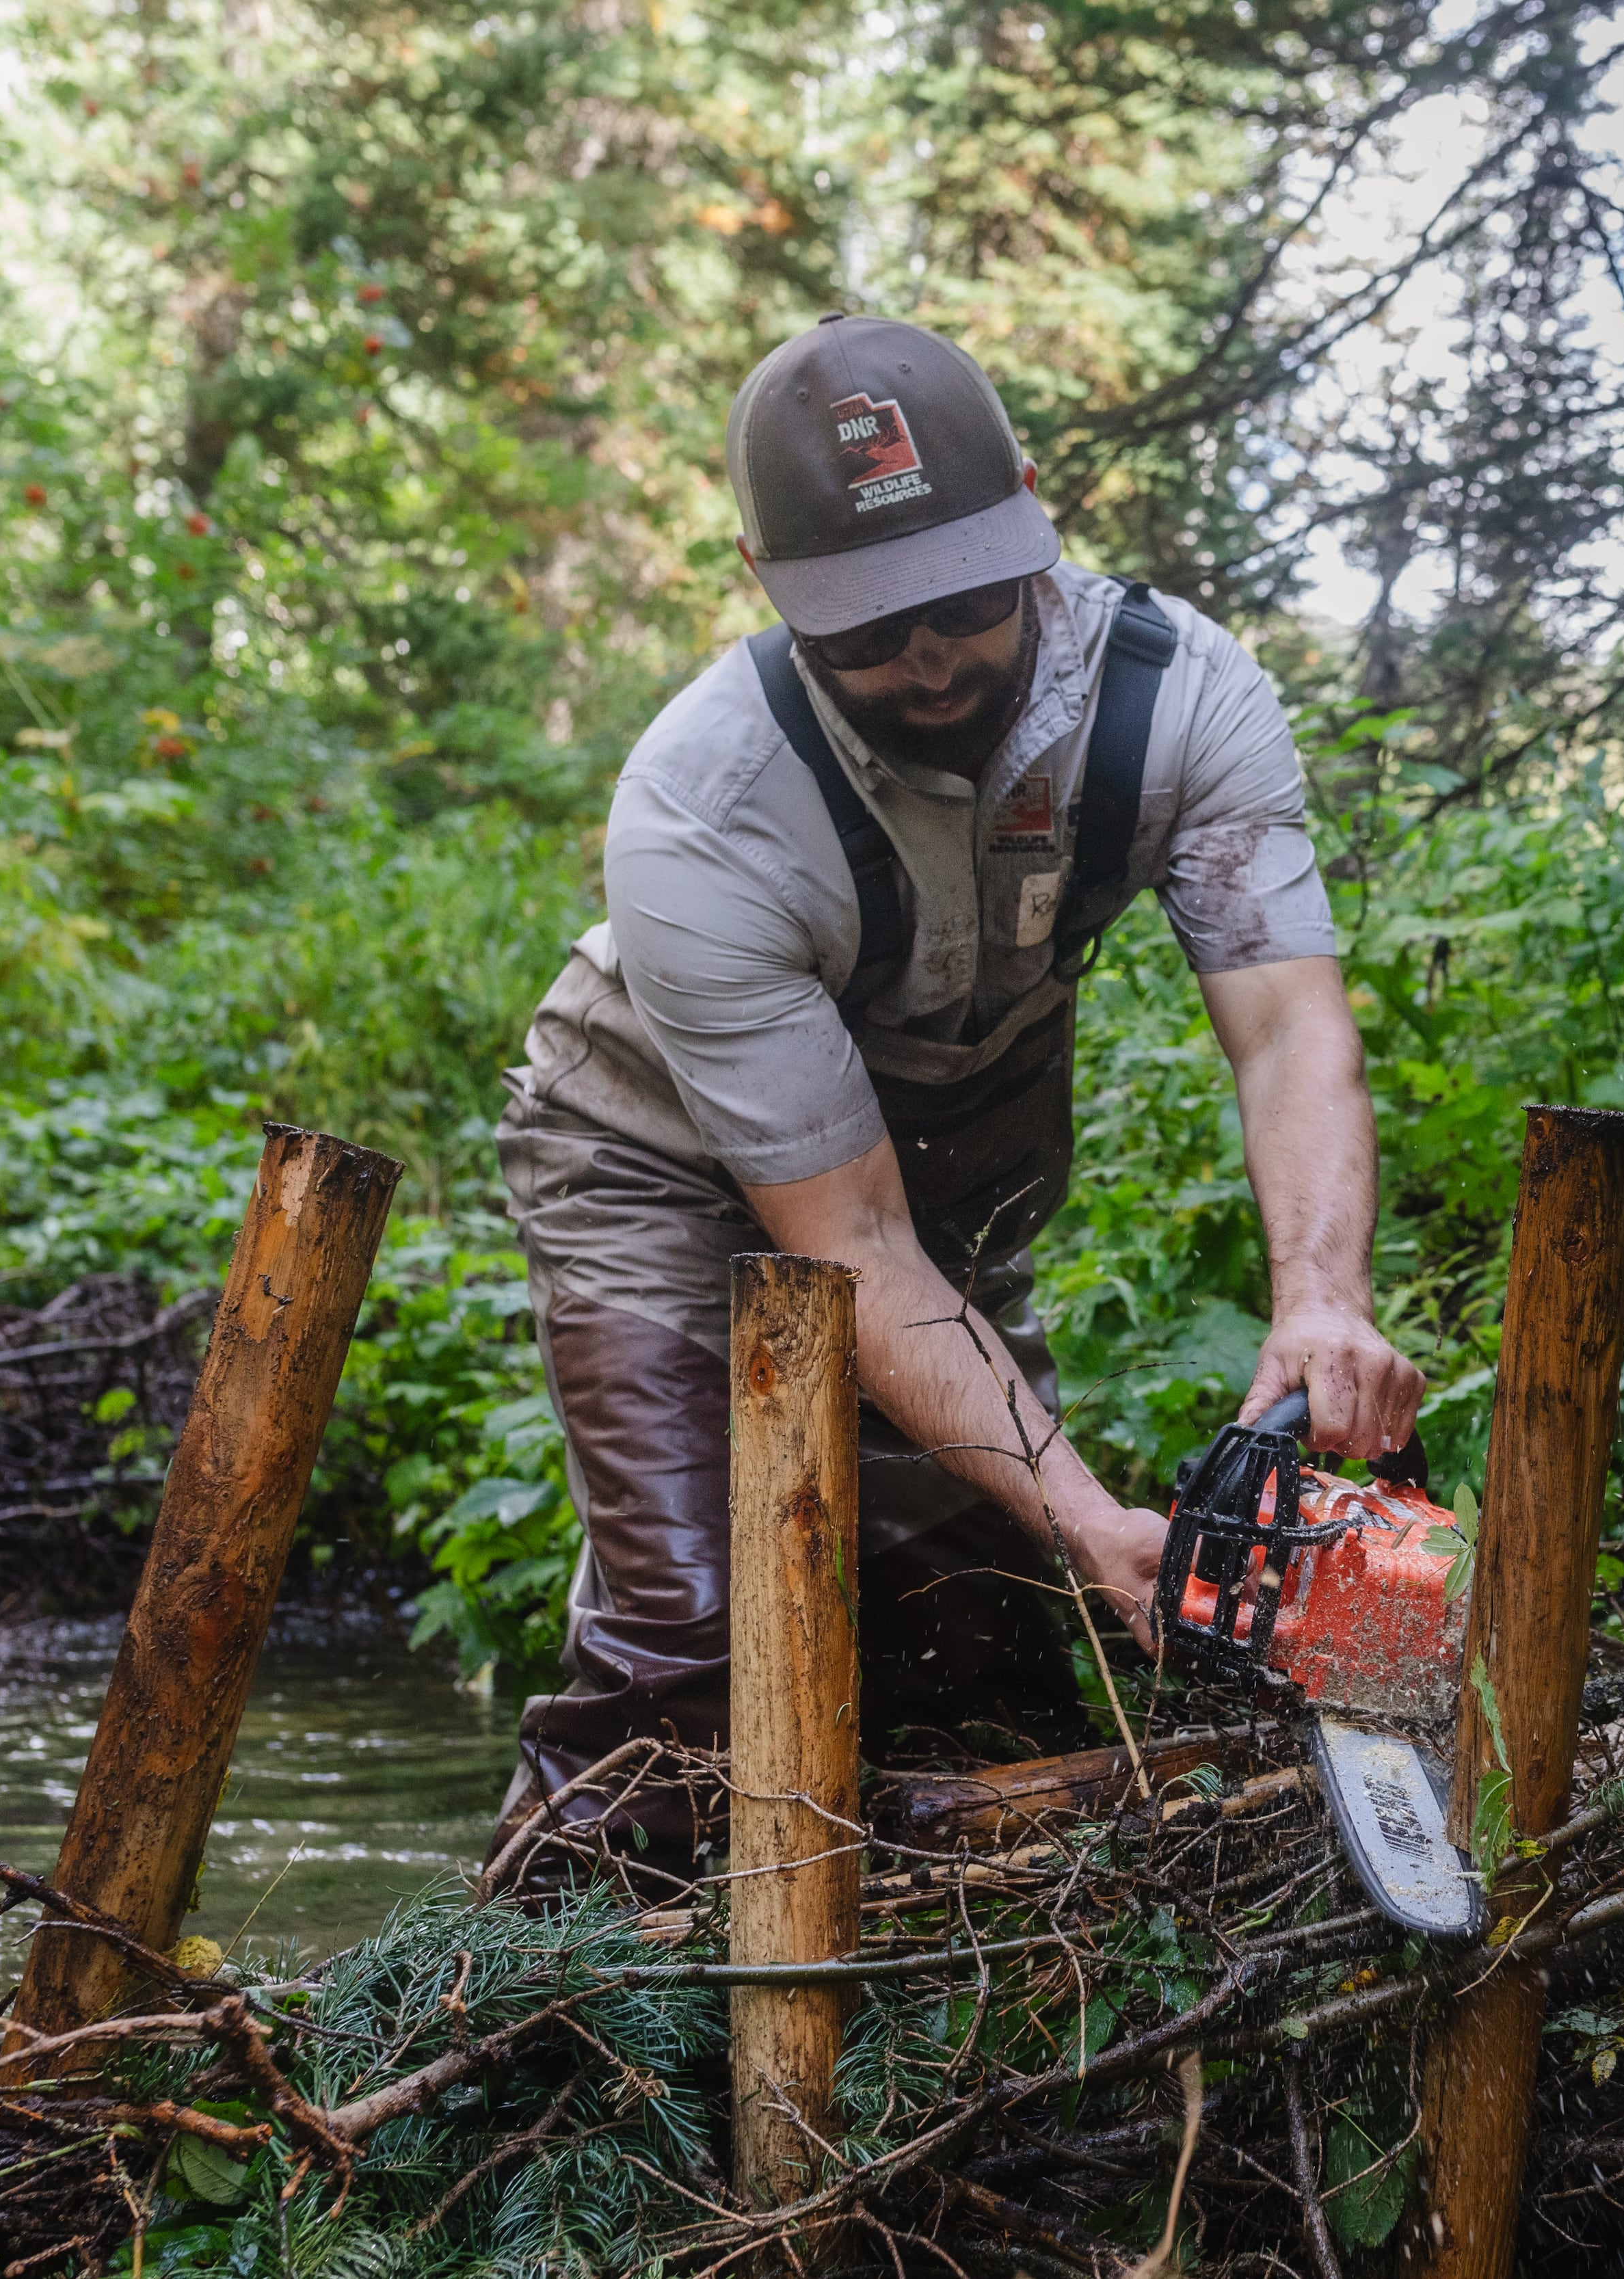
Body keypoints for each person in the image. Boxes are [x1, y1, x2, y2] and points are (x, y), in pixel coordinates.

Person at [490, 315, 1424, 1867]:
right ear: (763, 582)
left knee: (988, 1650)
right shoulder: (700, 804)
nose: (925, 659)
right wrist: (1092, 1511)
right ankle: (529, 2032)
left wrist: (1320, 1300)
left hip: (935, 1164)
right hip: (648, 1164)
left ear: (1036, 515)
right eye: (863, 629)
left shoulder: (1182, 702)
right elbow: (847, 1250)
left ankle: (932, 2042)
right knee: (690, 1644)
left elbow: (1285, 1030)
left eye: (962, 603)